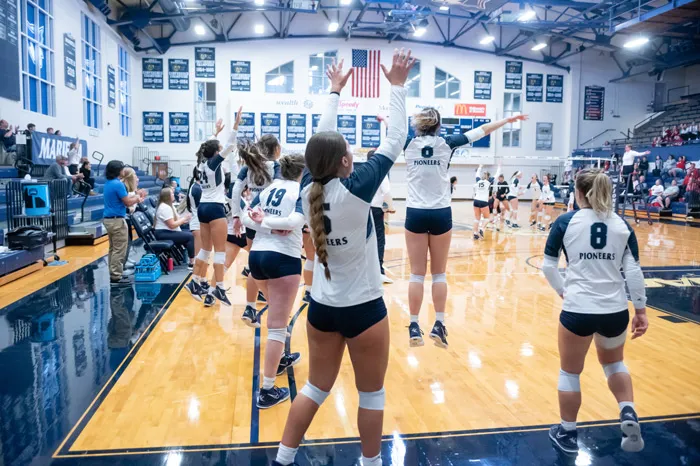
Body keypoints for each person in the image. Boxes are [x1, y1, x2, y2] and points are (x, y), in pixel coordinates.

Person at [271, 49, 413, 466]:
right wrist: (398, 86)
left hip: (321, 311)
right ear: (346, 161)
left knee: (315, 389)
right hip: (365, 310)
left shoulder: (307, 188)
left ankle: (282, 458)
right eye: (348, 152)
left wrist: (334, 91)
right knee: (373, 395)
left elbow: (322, 141)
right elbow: (396, 138)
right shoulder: (358, 186)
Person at [542, 168, 647, 455]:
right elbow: (634, 272)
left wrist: (564, 290)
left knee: (570, 371)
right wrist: (640, 311)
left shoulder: (565, 222)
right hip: (614, 311)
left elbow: (548, 267)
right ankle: (627, 412)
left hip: (578, 309)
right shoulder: (622, 225)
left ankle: (567, 432)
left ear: (578, 193)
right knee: (614, 364)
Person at [403, 104, 526, 348]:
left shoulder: (407, 143)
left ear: (418, 125)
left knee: (417, 273)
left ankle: (414, 324)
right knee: (439, 273)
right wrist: (508, 119)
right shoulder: (447, 143)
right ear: (438, 126)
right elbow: (482, 130)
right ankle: (438, 323)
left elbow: (392, 128)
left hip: (415, 212)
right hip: (440, 213)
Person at [240, 154, 306, 409]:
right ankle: (267, 390)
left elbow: (247, 218)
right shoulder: (300, 191)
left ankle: (277, 358)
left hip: (257, 257)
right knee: (277, 326)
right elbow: (294, 222)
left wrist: (264, 224)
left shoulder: (267, 190)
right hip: (283, 259)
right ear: (302, 171)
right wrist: (274, 226)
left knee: (277, 315)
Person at [184, 114, 241, 306]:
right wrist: (235, 126)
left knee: (205, 250)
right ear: (216, 153)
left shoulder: (200, 163)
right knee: (219, 252)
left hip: (202, 209)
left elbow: (205, 148)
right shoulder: (213, 163)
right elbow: (230, 145)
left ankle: (196, 282)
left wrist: (214, 133)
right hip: (215, 208)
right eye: (218, 149)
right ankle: (220, 288)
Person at [231, 137, 282, 325]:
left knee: (255, 266)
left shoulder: (249, 167)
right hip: (271, 222)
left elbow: (235, 191)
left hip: (252, 221)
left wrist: (236, 216)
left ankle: (250, 307)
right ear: (276, 149)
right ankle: (277, 315)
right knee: (276, 268)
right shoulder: (277, 167)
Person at [103, 160, 147, 285]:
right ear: (118, 171)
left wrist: (136, 197)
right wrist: (138, 198)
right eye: (122, 169)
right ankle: (116, 276)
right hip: (117, 220)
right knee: (119, 249)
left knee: (113, 249)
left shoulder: (109, 183)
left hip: (109, 219)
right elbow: (127, 202)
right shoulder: (118, 184)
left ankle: (114, 273)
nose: (123, 171)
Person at [368, 149, 394, 284]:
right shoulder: (380, 173)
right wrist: (390, 207)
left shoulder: (363, 172)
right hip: (376, 210)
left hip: (363, 209)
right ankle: (378, 272)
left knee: (365, 240)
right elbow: (387, 191)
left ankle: (366, 272)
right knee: (379, 240)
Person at [154, 186, 195, 268]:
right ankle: (192, 262)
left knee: (191, 233)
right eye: (172, 193)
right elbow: (172, 225)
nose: (173, 195)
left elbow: (177, 219)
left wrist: (186, 219)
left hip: (167, 231)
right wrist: (184, 219)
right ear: (167, 196)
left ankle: (192, 257)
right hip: (162, 233)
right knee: (190, 236)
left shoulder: (169, 206)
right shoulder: (164, 208)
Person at [472, 165, 499, 241]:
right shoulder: (488, 181)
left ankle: (475, 234)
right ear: (488, 177)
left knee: (477, 219)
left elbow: (477, 174)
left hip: (476, 201)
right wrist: (499, 167)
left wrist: (480, 167)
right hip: (483, 202)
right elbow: (496, 175)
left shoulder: (478, 181)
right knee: (487, 218)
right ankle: (481, 228)